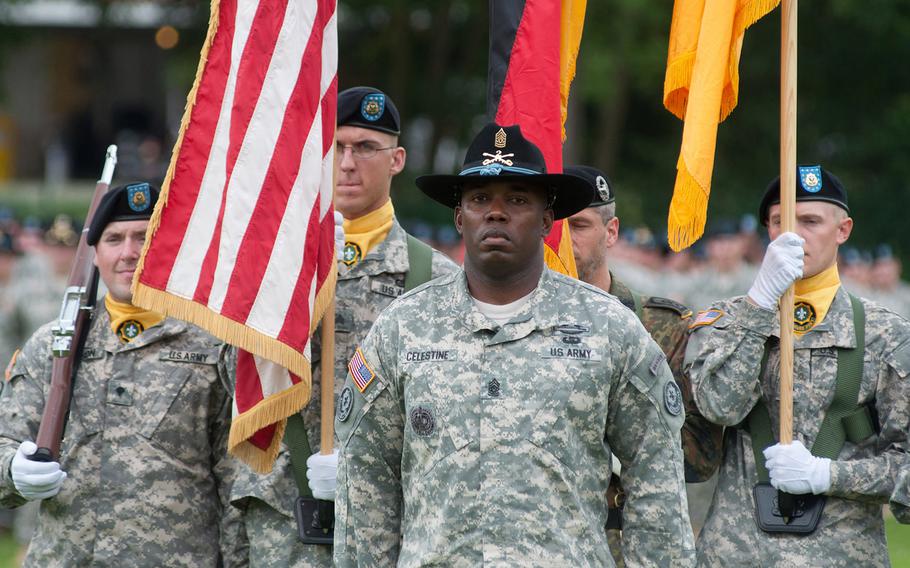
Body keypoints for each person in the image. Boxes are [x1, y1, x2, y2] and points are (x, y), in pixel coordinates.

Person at [333, 122, 695, 566]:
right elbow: (367, 480)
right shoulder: (401, 329)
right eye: (480, 199)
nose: (496, 213)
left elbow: (655, 472)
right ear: (459, 216)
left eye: (518, 199)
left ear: (547, 220)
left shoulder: (607, 328)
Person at [229, 86, 458, 567]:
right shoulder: (276, 270)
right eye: (336, 148)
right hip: (281, 522)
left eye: (366, 147)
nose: (348, 163)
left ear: (397, 159)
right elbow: (234, 383)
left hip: (394, 521)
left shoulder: (438, 279)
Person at [0, 182, 244, 566]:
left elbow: (237, 483)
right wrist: (12, 468)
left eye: (143, 237)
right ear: (95, 254)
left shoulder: (213, 347)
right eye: (114, 239)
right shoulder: (55, 345)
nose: (129, 253)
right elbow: (6, 442)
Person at [685, 166, 910, 566]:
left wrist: (828, 475)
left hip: (841, 556)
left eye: (810, 222)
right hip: (738, 554)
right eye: (779, 223)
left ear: (843, 230)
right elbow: (719, 406)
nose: (793, 235)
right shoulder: (727, 320)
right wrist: (757, 305)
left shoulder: (886, 334)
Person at [565, 164, 723, 563]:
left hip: (624, 538)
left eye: (579, 225)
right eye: (553, 225)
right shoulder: (513, 322)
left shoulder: (658, 326)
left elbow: (699, 456)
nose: (563, 238)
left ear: (612, 232)